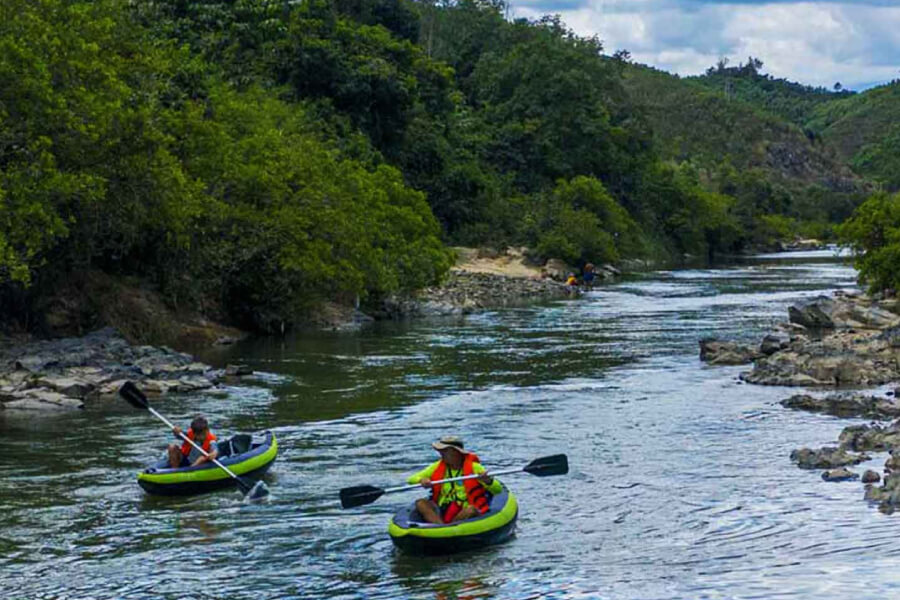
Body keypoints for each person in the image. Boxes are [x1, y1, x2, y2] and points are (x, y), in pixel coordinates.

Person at [408, 436, 502, 524]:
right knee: (421, 503)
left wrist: (487, 481)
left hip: (465, 509)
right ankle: (440, 527)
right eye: (441, 451)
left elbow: (498, 490)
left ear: (457, 452)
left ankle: (449, 528)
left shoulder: (475, 468)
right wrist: (421, 480)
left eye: (445, 451)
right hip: (442, 509)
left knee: (471, 510)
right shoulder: (437, 466)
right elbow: (411, 479)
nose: (441, 454)